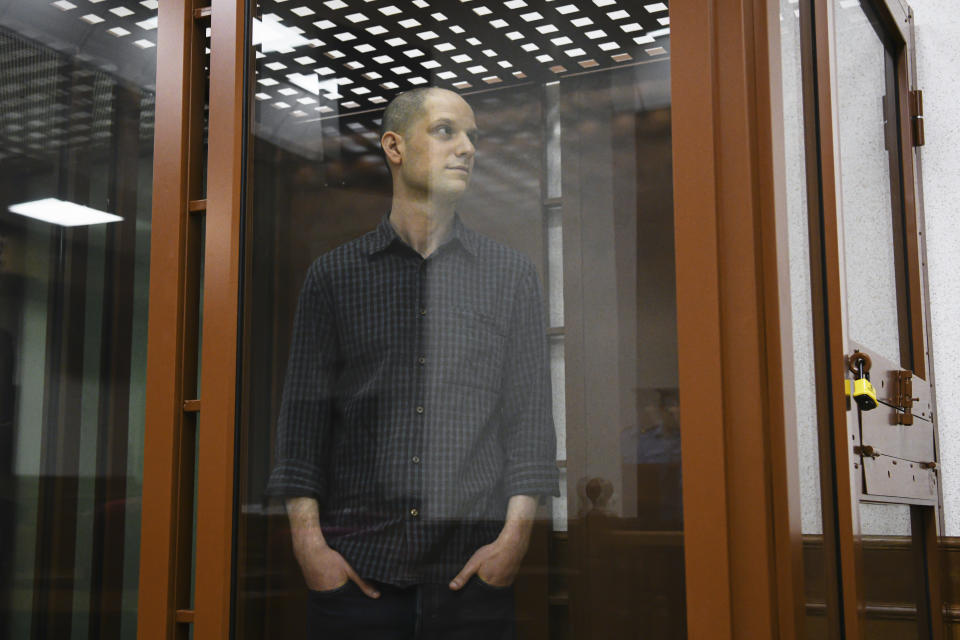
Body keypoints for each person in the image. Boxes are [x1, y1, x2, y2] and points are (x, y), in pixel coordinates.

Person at [265, 87, 559, 639]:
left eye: (474, 136)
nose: (467, 148)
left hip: (473, 580)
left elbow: (530, 423)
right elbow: (302, 427)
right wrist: (311, 551)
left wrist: (512, 543)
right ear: (395, 147)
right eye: (447, 131)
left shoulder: (510, 276)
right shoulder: (334, 277)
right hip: (355, 579)